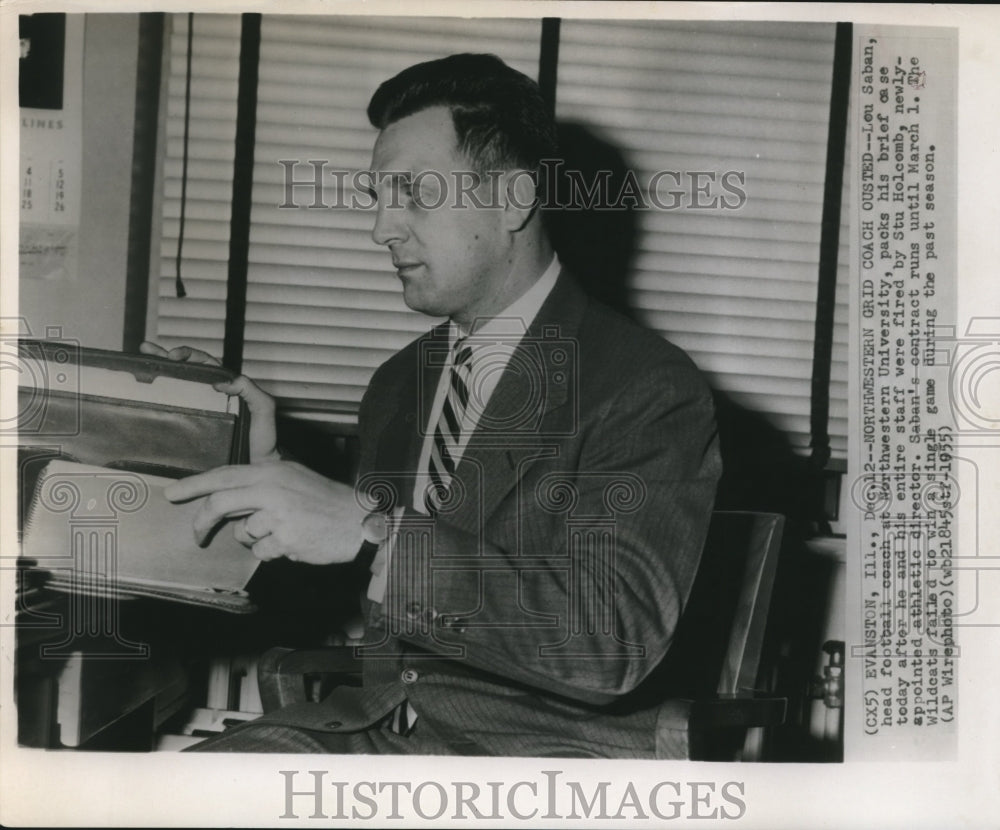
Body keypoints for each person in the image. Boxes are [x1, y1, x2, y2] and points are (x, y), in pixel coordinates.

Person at [146, 53, 721, 757]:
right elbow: (369, 571)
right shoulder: (402, 382)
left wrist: (370, 529)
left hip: (541, 763)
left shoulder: (644, 386)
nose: (381, 229)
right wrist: (256, 471)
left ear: (513, 200)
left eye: (413, 192)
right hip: (381, 732)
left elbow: (613, 641)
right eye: (377, 197)